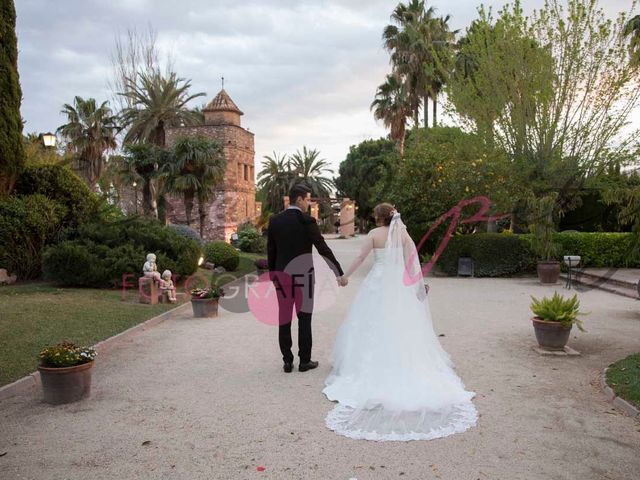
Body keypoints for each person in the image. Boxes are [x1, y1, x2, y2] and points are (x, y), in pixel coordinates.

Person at [322, 203, 477, 441]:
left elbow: (361, 257)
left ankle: (368, 364)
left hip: (379, 281)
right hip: (399, 282)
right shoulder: (402, 233)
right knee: (402, 323)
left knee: (370, 323)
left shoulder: (374, 235)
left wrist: (345, 277)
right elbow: (411, 261)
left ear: (377, 217)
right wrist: (417, 285)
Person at [267, 184, 347, 373]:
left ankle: (287, 361)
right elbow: (323, 249)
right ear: (300, 199)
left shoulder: (275, 221)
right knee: (304, 319)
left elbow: (271, 250)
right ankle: (304, 361)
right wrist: (338, 272)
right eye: (308, 199)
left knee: (284, 318)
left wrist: (273, 274)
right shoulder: (307, 221)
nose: (309, 203)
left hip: (282, 277)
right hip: (304, 278)